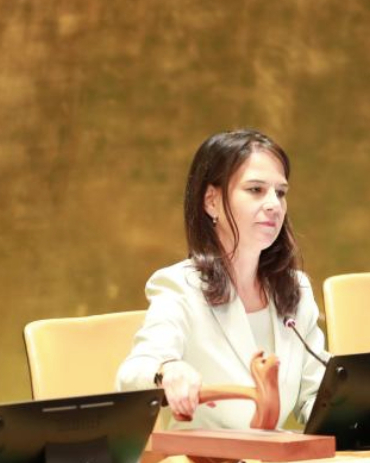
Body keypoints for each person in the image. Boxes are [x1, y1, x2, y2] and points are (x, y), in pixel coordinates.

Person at [117, 129, 325, 429]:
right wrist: (168, 369)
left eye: (280, 192)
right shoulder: (180, 287)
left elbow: (316, 394)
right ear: (211, 201)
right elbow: (134, 373)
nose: (274, 204)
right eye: (255, 190)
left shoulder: (296, 289)